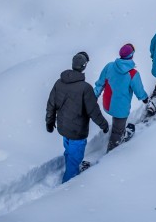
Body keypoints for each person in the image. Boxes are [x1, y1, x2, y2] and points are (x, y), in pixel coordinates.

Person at [46, 52, 109, 183]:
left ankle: (70, 168)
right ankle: (68, 186)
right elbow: (93, 111)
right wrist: (104, 125)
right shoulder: (85, 88)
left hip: (63, 127)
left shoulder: (59, 82)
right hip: (77, 131)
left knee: (69, 151)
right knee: (75, 159)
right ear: (84, 66)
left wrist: (49, 122)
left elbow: (51, 103)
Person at [94, 43, 148, 152]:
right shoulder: (133, 74)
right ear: (131, 55)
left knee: (117, 121)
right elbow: (139, 90)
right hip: (121, 109)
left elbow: (100, 84)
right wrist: (144, 98)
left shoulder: (109, 66)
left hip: (107, 104)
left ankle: (121, 132)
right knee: (117, 131)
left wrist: (94, 96)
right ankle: (112, 150)